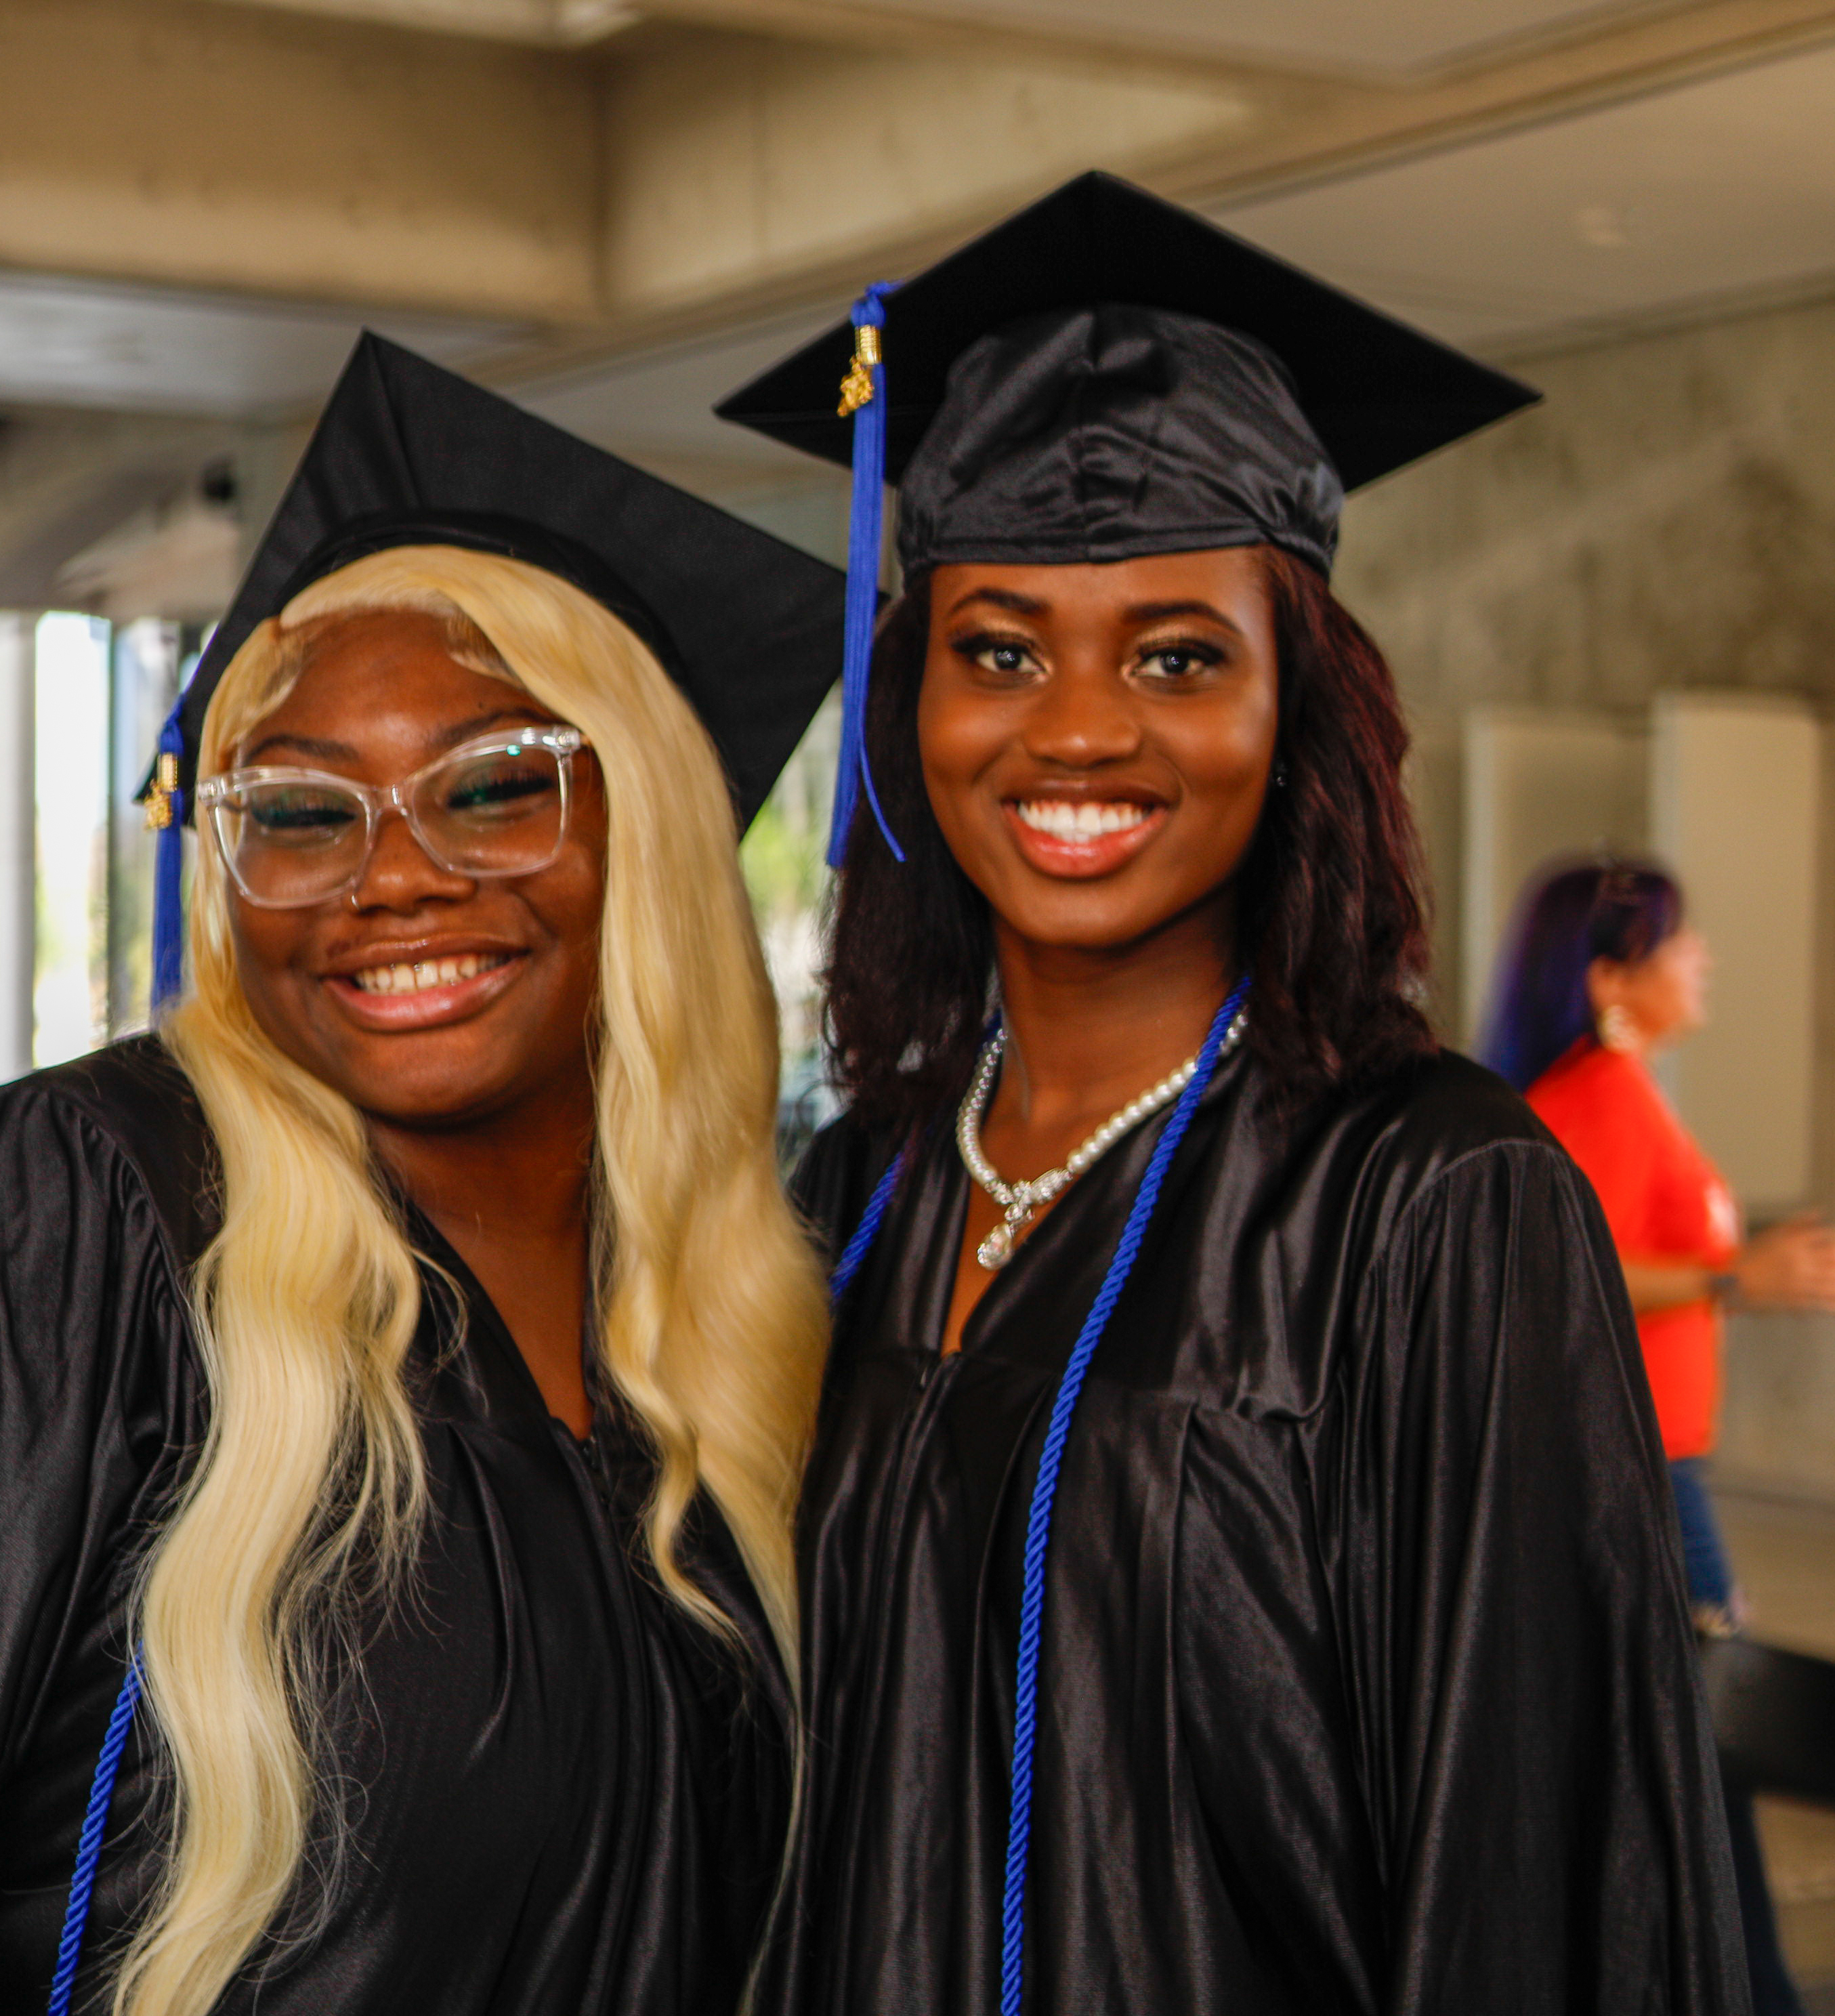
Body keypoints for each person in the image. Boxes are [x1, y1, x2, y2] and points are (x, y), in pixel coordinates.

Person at [0, 337, 842, 2015]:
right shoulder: (77, 1223)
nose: (393, 876)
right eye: (297, 811)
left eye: (494, 786)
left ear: (640, 826)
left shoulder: (732, 1348)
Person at [718, 173, 1747, 2014]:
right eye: (1001, 650)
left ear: (1300, 716)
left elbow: (1531, 1862)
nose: (1082, 727)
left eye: (1180, 655)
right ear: (913, 708)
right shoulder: (862, 1187)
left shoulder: (1430, 1201)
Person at [1481, 854, 1835, 2016]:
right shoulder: (1587, 1094)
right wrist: (1736, 1275)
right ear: (1609, 976)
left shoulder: (1622, 1087)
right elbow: (1563, 1261)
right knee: (1711, 1751)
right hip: (1642, 1472)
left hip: (1664, 1461)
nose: (1701, 960)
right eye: (1679, 943)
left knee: (1702, 1749)